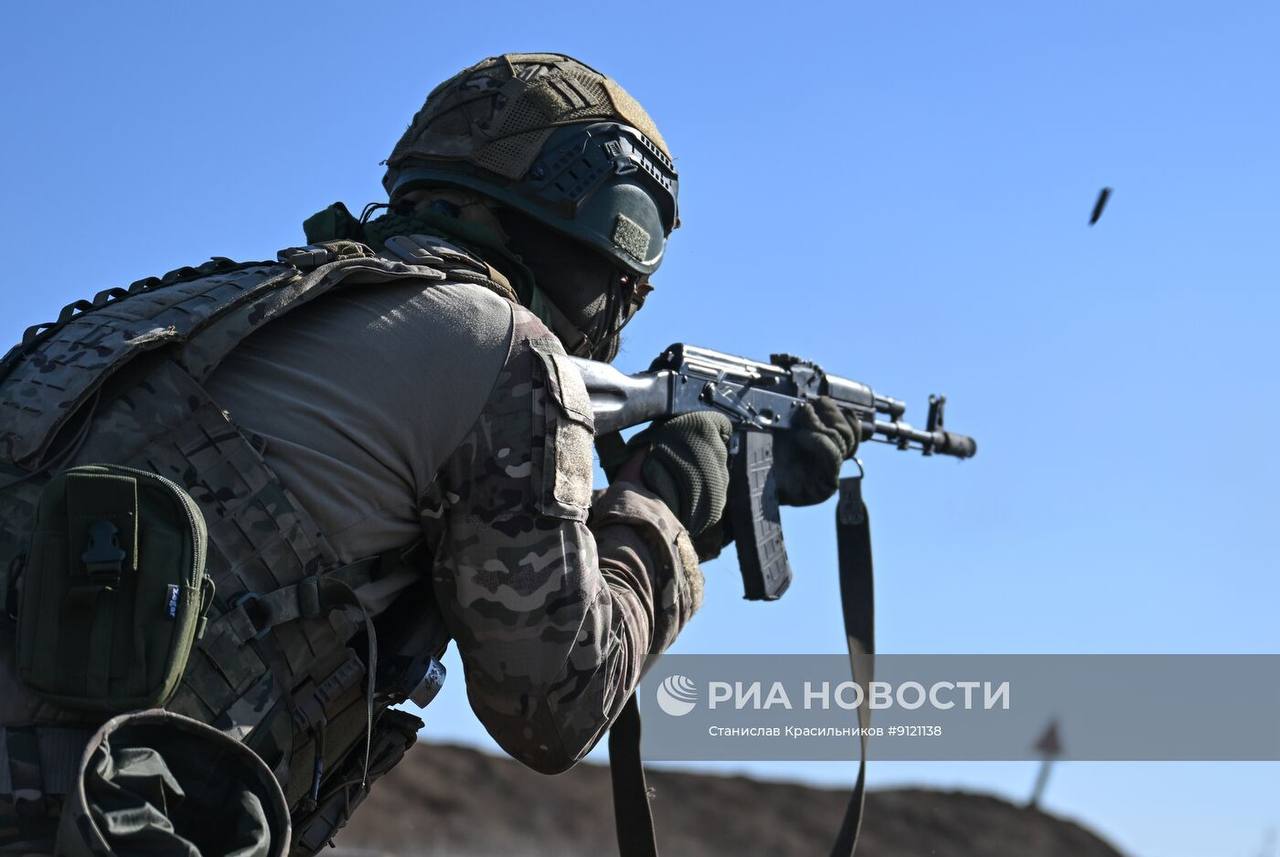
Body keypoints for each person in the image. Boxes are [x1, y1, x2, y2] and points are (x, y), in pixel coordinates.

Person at [0, 53, 859, 855]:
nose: (627, 305)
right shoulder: (506, 350)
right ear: (601, 230)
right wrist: (669, 504)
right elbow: (555, 700)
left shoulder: (195, 303)